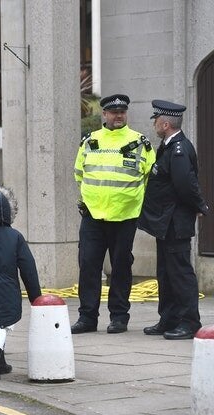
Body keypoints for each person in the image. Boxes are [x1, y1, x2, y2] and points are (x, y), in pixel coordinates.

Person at [71, 94, 156, 334]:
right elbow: (79, 174)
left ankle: (119, 317)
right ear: (104, 115)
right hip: (93, 217)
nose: (118, 115)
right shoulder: (90, 141)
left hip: (125, 216)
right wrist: (89, 200)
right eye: (113, 112)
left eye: (122, 112)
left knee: (120, 266)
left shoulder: (139, 142)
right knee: (88, 266)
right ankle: (87, 317)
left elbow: (150, 176)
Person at [138, 100, 209, 340]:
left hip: (175, 222)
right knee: (165, 273)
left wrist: (199, 206)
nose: (155, 124)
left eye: (156, 120)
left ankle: (189, 322)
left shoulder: (178, 149)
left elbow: (185, 185)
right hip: (165, 222)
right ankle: (168, 318)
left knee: (179, 273)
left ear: (165, 123)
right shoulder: (168, 146)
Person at [0, 186, 42, 379]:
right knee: (3, 324)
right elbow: (28, 267)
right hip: (7, 287)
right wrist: (35, 296)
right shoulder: (15, 237)